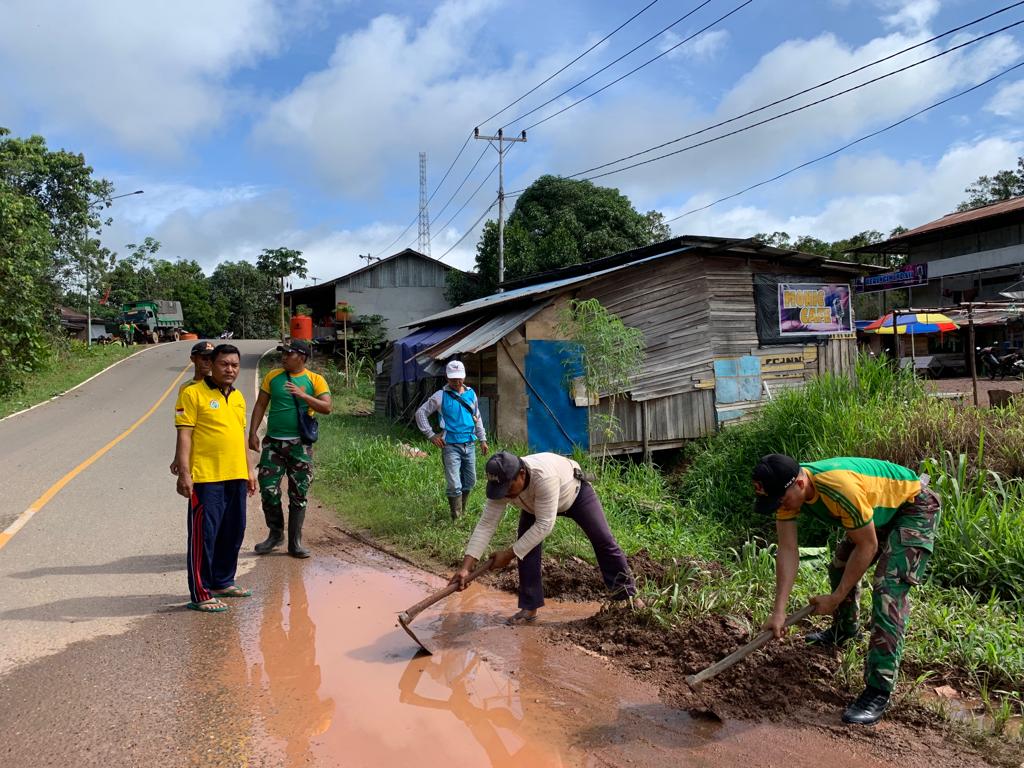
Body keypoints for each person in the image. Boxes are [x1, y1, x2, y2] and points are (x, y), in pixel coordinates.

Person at [752, 454, 941, 725]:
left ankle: (878, 690)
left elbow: (868, 546)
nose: (780, 506)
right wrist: (778, 611)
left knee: (888, 589)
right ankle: (844, 630)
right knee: (840, 565)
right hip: (878, 510)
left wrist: (837, 596)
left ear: (801, 484)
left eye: (781, 500)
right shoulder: (788, 492)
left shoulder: (839, 488)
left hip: (913, 506)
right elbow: (788, 549)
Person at [449, 451, 638, 624]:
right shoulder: (501, 485)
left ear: (521, 474)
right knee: (527, 550)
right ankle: (529, 608)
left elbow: (545, 524)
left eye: (508, 487)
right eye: (501, 489)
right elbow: (486, 524)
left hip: (574, 494)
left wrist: (508, 554)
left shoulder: (544, 477)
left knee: (604, 540)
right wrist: (466, 568)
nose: (505, 494)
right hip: (534, 505)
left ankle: (628, 597)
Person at [173, 343, 256, 612]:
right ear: (212, 364)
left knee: (234, 531)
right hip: (206, 478)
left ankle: (222, 581)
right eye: (224, 364)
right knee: (204, 536)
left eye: (234, 364)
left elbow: (241, 436)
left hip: (236, 476)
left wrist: (249, 470)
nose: (230, 369)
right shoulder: (192, 393)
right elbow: (184, 434)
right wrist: (184, 473)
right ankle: (200, 592)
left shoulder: (239, 397)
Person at [249, 340, 331, 559]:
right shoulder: (272, 377)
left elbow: (326, 407)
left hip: (300, 446)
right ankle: (276, 534)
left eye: (289, 353)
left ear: (302, 357)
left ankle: (295, 542)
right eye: (283, 353)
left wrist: (303, 395)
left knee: (299, 492)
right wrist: (252, 432)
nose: (284, 357)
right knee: (268, 490)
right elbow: (260, 405)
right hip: (273, 443)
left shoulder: (315, 380)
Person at [415, 360, 488, 520]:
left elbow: (478, 417)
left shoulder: (471, 394)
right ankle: (456, 517)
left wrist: (482, 439)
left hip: (469, 444)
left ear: (464, 376)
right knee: (454, 484)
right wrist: (431, 435)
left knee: (470, 481)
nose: (457, 382)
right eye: (453, 379)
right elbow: (421, 413)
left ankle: (463, 509)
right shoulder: (440, 396)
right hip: (450, 446)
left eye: (459, 378)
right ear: (447, 378)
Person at [170, 340, 215, 476]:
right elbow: (183, 427)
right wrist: (178, 456)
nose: (208, 362)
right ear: (193, 359)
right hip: (197, 456)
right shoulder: (186, 388)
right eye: (204, 358)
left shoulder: (222, 386)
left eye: (212, 359)